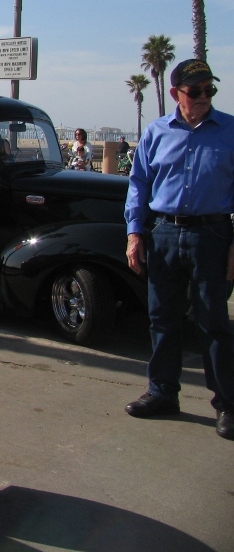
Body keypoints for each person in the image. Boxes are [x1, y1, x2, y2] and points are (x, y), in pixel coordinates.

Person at [124, 59, 234, 441]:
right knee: (162, 318)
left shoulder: (231, 131)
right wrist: (135, 233)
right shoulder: (156, 133)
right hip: (165, 234)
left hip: (213, 236)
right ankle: (162, 393)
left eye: (209, 90)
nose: (204, 97)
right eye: (196, 91)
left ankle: (227, 404)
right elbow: (138, 184)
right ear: (176, 94)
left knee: (214, 322)